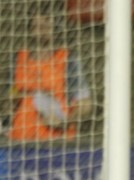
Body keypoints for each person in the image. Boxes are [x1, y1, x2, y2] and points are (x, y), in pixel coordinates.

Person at [7, 9, 93, 141]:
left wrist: (65, 122)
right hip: (20, 142)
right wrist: (12, 102)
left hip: (57, 144)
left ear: (55, 28)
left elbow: (85, 105)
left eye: (46, 26)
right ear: (30, 31)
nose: (42, 31)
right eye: (37, 27)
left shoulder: (68, 60)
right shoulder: (18, 59)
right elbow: (11, 98)